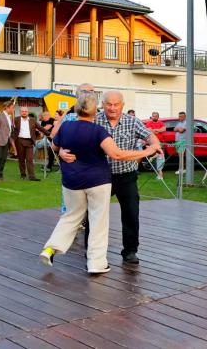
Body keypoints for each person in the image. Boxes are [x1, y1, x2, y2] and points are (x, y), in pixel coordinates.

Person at [40, 91, 160, 274]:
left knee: (129, 213)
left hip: (122, 175)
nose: (112, 108)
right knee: (95, 219)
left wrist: (155, 144)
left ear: (122, 104)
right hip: (99, 179)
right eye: (108, 104)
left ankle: (129, 251)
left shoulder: (132, 121)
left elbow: (149, 135)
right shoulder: (95, 124)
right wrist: (62, 152)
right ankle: (94, 259)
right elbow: (114, 153)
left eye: (116, 104)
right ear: (100, 106)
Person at [12, 106, 50, 180]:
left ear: (28, 112)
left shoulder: (32, 120)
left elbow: (40, 127)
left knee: (29, 159)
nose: (24, 112)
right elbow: (11, 128)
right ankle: (23, 175)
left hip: (30, 141)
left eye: (25, 111)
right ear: (20, 112)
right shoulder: (16, 120)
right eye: (22, 111)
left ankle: (32, 176)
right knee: (21, 159)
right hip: (19, 141)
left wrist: (49, 134)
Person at [145, 112, 166, 180]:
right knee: (156, 158)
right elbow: (149, 131)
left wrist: (156, 130)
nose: (154, 117)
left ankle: (160, 175)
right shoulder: (149, 123)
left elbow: (164, 129)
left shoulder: (161, 123)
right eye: (153, 116)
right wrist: (159, 130)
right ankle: (159, 174)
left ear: (158, 117)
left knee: (160, 158)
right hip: (152, 143)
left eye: (156, 116)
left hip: (160, 143)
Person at [174, 111, 189, 180]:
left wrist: (178, 129)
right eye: (179, 116)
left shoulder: (186, 123)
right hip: (178, 141)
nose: (179, 117)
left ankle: (181, 169)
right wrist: (178, 129)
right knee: (180, 155)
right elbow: (174, 129)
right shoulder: (179, 123)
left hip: (182, 141)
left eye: (180, 116)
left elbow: (181, 130)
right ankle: (182, 169)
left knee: (181, 155)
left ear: (184, 117)